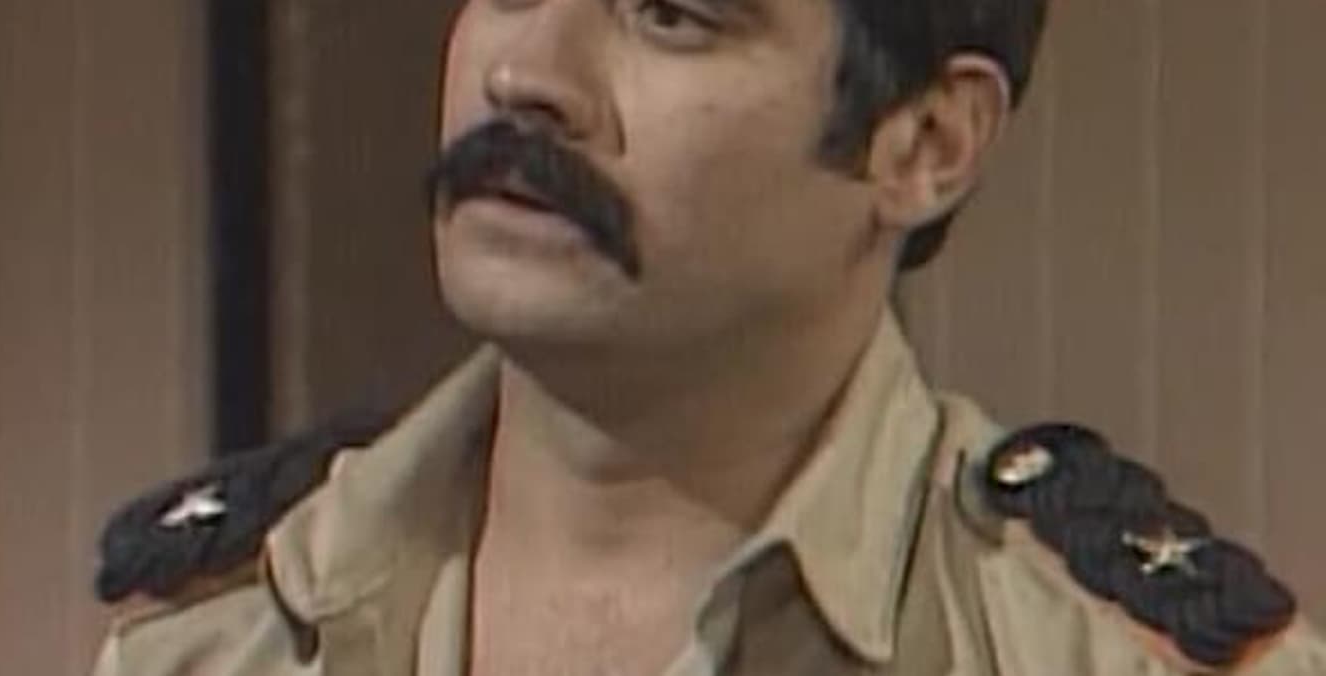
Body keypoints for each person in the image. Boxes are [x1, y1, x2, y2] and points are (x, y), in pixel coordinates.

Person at [89, 0, 1326, 673]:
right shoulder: (214, 630)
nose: (527, 74)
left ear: (926, 143)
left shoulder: (1102, 660)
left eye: (670, 15)